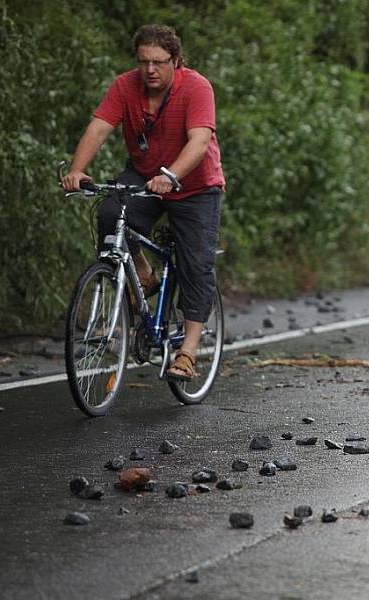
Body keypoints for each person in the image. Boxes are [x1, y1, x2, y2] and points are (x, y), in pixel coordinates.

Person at [61, 24, 225, 382]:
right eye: (143, 62)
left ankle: (187, 352)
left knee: (195, 262)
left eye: (159, 62)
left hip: (195, 184)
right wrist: (77, 170)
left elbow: (198, 142)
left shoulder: (196, 87)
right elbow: (99, 128)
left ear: (176, 61)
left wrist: (171, 176)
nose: (150, 70)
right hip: (145, 175)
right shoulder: (125, 86)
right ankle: (145, 275)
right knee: (109, 214)